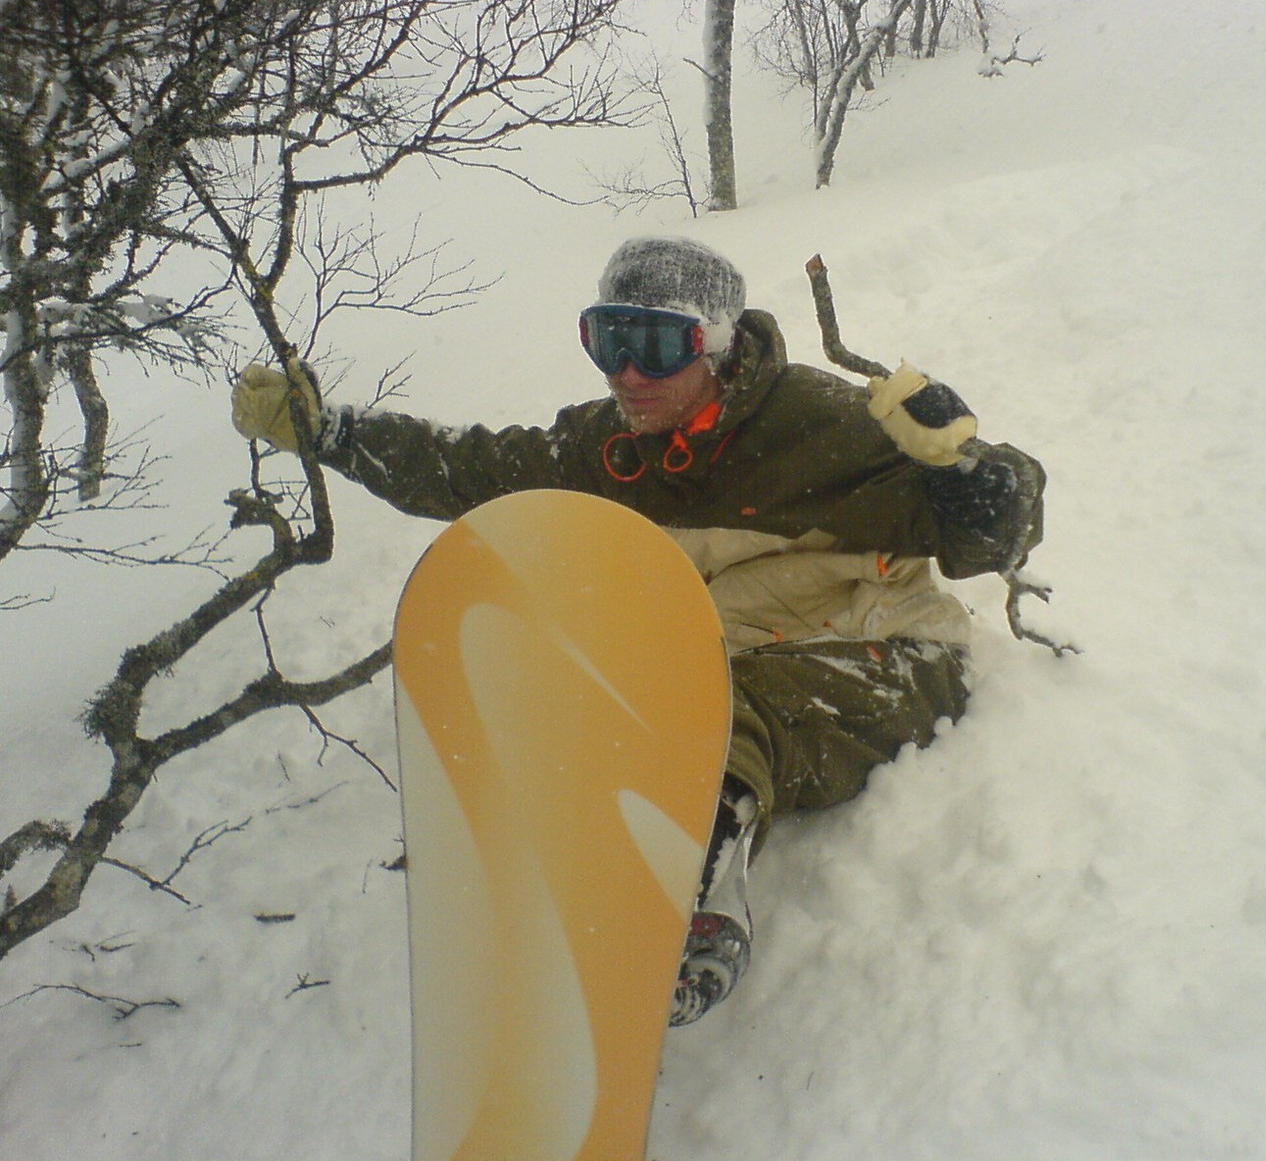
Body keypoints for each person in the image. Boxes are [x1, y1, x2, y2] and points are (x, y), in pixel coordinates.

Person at [231, 236, 1046, 1024]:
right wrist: (333, 434)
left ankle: (691, 892)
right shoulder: (612, 447)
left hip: (887, 648)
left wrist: (968, 473)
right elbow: (470, 469)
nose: (627, 371)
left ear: (716, 346)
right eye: (607, 340)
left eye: (655, 345)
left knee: (718, 707)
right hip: (726, 643)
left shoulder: (821, 426)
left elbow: (996, 538)